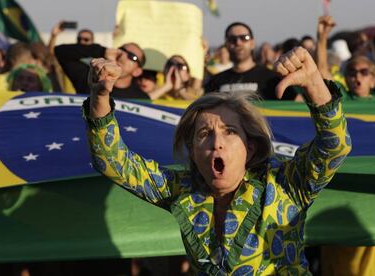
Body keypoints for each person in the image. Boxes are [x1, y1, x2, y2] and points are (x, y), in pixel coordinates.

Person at [83, 46, 351, 274]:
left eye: (230, 131)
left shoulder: (284, 185)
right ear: (193, 150)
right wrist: (101, 95)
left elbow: (335, 146)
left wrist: (315, 84)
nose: (217, 142)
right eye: (204, 134)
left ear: (252, 148)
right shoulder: (183, 189)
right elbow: (111, 161)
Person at [204, 22, 299, 100]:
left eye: (244, 38)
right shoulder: (215, 81)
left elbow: (298, 107)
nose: (238, 42)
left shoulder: (272, 78)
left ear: (253, 43)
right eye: (232, 39)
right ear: (226, 44)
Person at [55, 41, 147, 98]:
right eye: (121, 50)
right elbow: (60, 51)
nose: (122, 55)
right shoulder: (90, 77)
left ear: (137, 71)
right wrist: (102, 51)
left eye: (132, 57)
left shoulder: (141, 98)